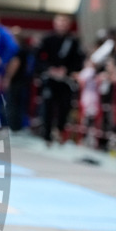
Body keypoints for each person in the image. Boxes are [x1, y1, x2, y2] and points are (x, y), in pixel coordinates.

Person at [35, 14, 82, 145]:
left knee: (64, 105)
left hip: (65, 80)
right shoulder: (47, 39)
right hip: (50, 78)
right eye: (60, 22)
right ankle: (47, 134)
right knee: (48, 105)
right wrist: (49, 69)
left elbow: (78, 61)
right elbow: (38, 58)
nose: (62, 25)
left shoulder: (73, 41)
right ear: (55, 24)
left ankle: (60, 129)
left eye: (64, 23)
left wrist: (67, 70)